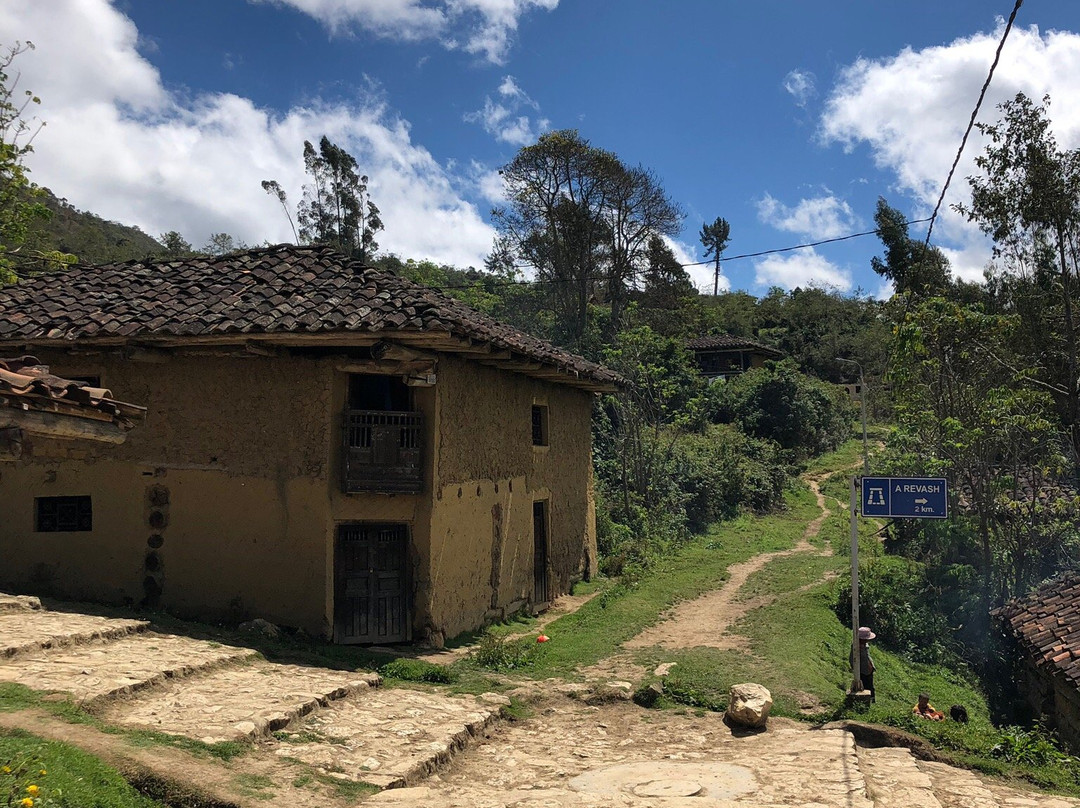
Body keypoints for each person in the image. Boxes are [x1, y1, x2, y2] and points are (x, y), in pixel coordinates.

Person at [850, 626, 876, 702]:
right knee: (866, 686)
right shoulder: (855, 648)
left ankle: (872, 700)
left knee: (871, 687)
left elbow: (867, 657)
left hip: (869, 670)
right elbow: (852, 659)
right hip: (862, 671)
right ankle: (867, 701)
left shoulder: (865, 646)